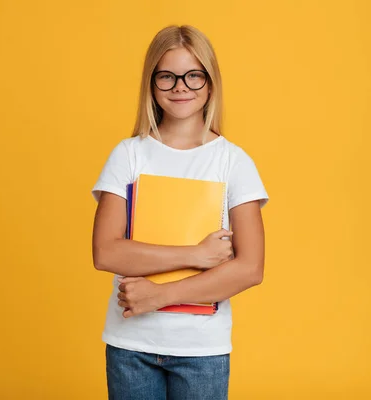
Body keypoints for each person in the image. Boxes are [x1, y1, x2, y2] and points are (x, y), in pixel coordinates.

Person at [91, 25, 269, 400]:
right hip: (130, 345)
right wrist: (195, 255)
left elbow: (249, 268)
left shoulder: (233, 162)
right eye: (167, 77)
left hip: (201, 350)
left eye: (193, 76)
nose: (180, 87)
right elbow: (106, 252)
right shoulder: (129, 155)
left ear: (209, 82)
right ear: (151, 83)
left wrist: (159, 295)